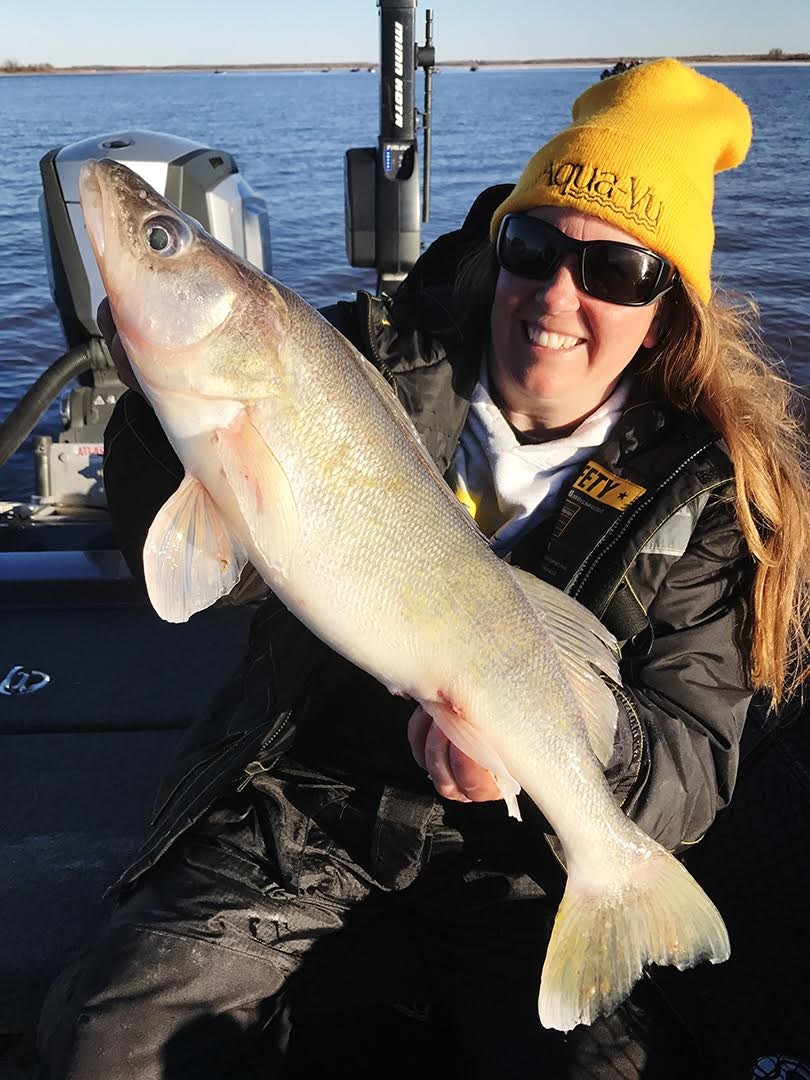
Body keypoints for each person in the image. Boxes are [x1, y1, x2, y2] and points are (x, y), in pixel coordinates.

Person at [38, 58, 810, 1079]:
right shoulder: (369, 358)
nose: (556, 298)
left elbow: (693, 760)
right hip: (302, 802)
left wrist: (567, 740)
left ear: (668, 307)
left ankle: (612, 893)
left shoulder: (706, 492)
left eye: (617, 272)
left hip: (517, 864)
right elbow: (210, 575)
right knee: (110, 1044)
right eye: (534, 248)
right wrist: (154, 411)